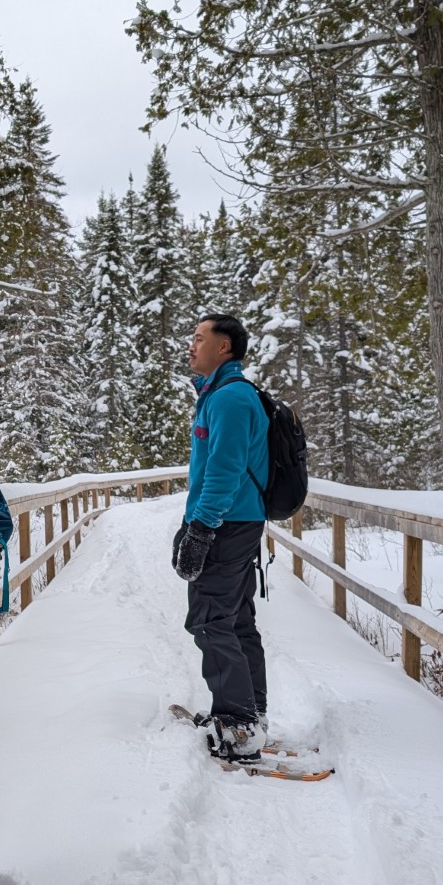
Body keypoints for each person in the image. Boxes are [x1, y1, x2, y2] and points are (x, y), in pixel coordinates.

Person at [172, 314, 270, 762]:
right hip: (236, 521)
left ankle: (239, 727)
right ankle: (250, 715)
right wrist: (193, 521)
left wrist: (202, 528)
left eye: (199, 338)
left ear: (224, 347)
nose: (191, 346)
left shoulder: (230, 398)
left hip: (227, 524)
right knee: (235, 618)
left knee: (210, 619)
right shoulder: (221, 394)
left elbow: (224, 471)